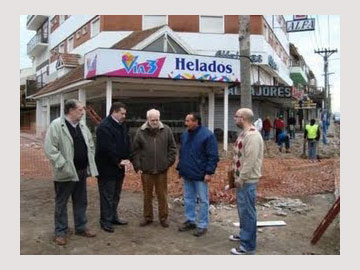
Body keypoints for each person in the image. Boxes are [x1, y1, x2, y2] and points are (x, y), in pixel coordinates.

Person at [44, 99, 98, 246]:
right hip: (65, 172)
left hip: (81, 171)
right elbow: (50, 149)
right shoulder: (57, 125)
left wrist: (89, 160)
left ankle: (81, 227)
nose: (82, 112)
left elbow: (90, 144)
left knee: (81, 201)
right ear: (71, 110)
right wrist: (63, 164)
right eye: (80, 109)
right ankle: (60, 232)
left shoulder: (82, 125)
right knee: (61, 202)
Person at [132, 109, 177, 228]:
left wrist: (167, 163)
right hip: (146, 170)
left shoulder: (166, 130)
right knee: (147, 195)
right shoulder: (140, 132)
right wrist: (138, 166)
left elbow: (172, 149)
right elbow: (135, 151)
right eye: (153, 120)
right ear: (148, 119)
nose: (155, 122)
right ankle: (148, 217)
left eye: (157, 119)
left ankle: (163, 218)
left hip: (162, 170)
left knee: (162, 195)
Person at [176, 113, 219, 237]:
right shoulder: (185, 135)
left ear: (196, 122)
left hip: (200, 174)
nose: (186, 123)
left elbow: (213, 156)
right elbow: (182, 153)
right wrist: (180, 169)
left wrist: (209, 172)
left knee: (203, 200)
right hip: (188, 173)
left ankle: (202, 224)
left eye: (188, 121)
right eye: (186, 120)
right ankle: (191, 220)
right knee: (189, 199)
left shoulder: (207, 135)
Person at [229, 108, 264, 255]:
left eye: (236, 116)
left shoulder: (253, 136)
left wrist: (241, 178)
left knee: (248, 212)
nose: (234, 119)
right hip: (242, 180)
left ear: (243, 118)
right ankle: (244, 235)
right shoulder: (244, 134)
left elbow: (250, 161)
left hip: (247, 181)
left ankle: (248, 246)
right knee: (243, 211)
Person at [95, 102, 131, 233]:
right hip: (107, 168)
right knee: (107, 196)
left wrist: (128, 157)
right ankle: (105, 221)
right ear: (114, 112)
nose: (124, 116)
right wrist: (118, 160)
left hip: (119, 167)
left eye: (125, 113)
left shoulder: (122, 125)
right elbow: (107, 148)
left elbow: (126, 142)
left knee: (116, 194)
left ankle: (114, 217)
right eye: (122, 113)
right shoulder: (104, 127)